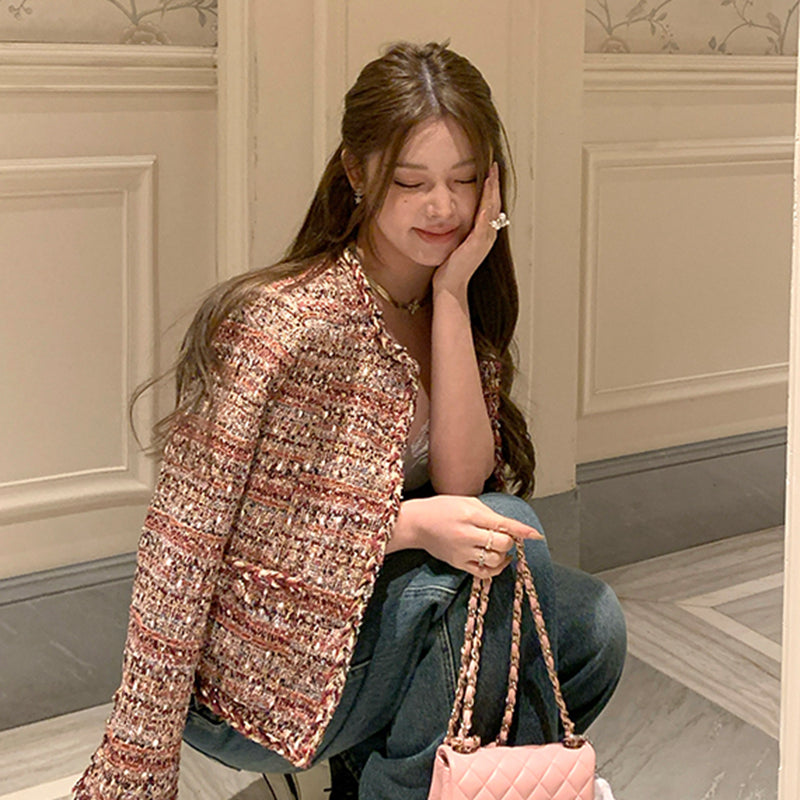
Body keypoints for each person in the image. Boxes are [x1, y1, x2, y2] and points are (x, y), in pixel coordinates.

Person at [74, 41, 626, 800]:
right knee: (507, 543)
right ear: (357, 174)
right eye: (411, 182)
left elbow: (463, 482)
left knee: (593, 627)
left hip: (382, 627)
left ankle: (395, 780)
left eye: (465, 180)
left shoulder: (452, 303)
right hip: (268, 671)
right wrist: (139, 752)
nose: (443, 207)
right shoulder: (285, 324)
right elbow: (187, 543)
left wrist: (453, 295)